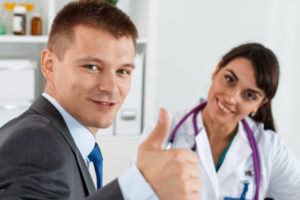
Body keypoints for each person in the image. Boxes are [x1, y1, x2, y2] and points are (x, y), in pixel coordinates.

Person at [0, 0, 202, 199]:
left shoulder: (58, 138)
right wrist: (137, 183)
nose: (111, 87)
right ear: (50, 64)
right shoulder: (38, 141)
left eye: (123, 71)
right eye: (92, 67)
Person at [140, 43, 300, 199]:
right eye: (229, 79)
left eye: (250, 95)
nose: (231, 98)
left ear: (259, 104)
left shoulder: (268, 147)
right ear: (216, 71)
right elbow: (133, 193)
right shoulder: (163, 133)